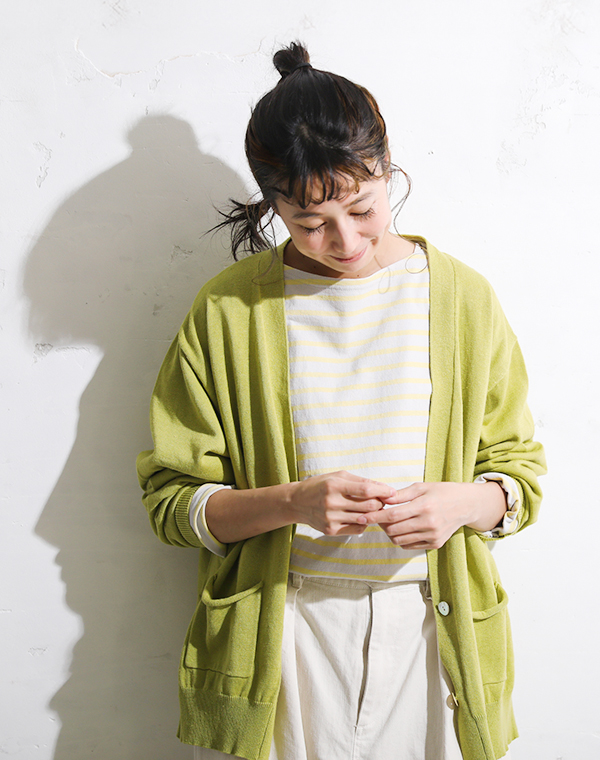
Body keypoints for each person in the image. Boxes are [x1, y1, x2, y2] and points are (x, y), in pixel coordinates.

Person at [137, 41, 546, 760]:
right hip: (280, 640)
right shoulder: (229, 311)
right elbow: (172, 503)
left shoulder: (462, 300)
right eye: (309, 223)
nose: (345, 239)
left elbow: (520, 478)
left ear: (387, 169)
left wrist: (462, 504)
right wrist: (292, 502)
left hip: (434, 637)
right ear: (273, 207)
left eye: (363, 207)